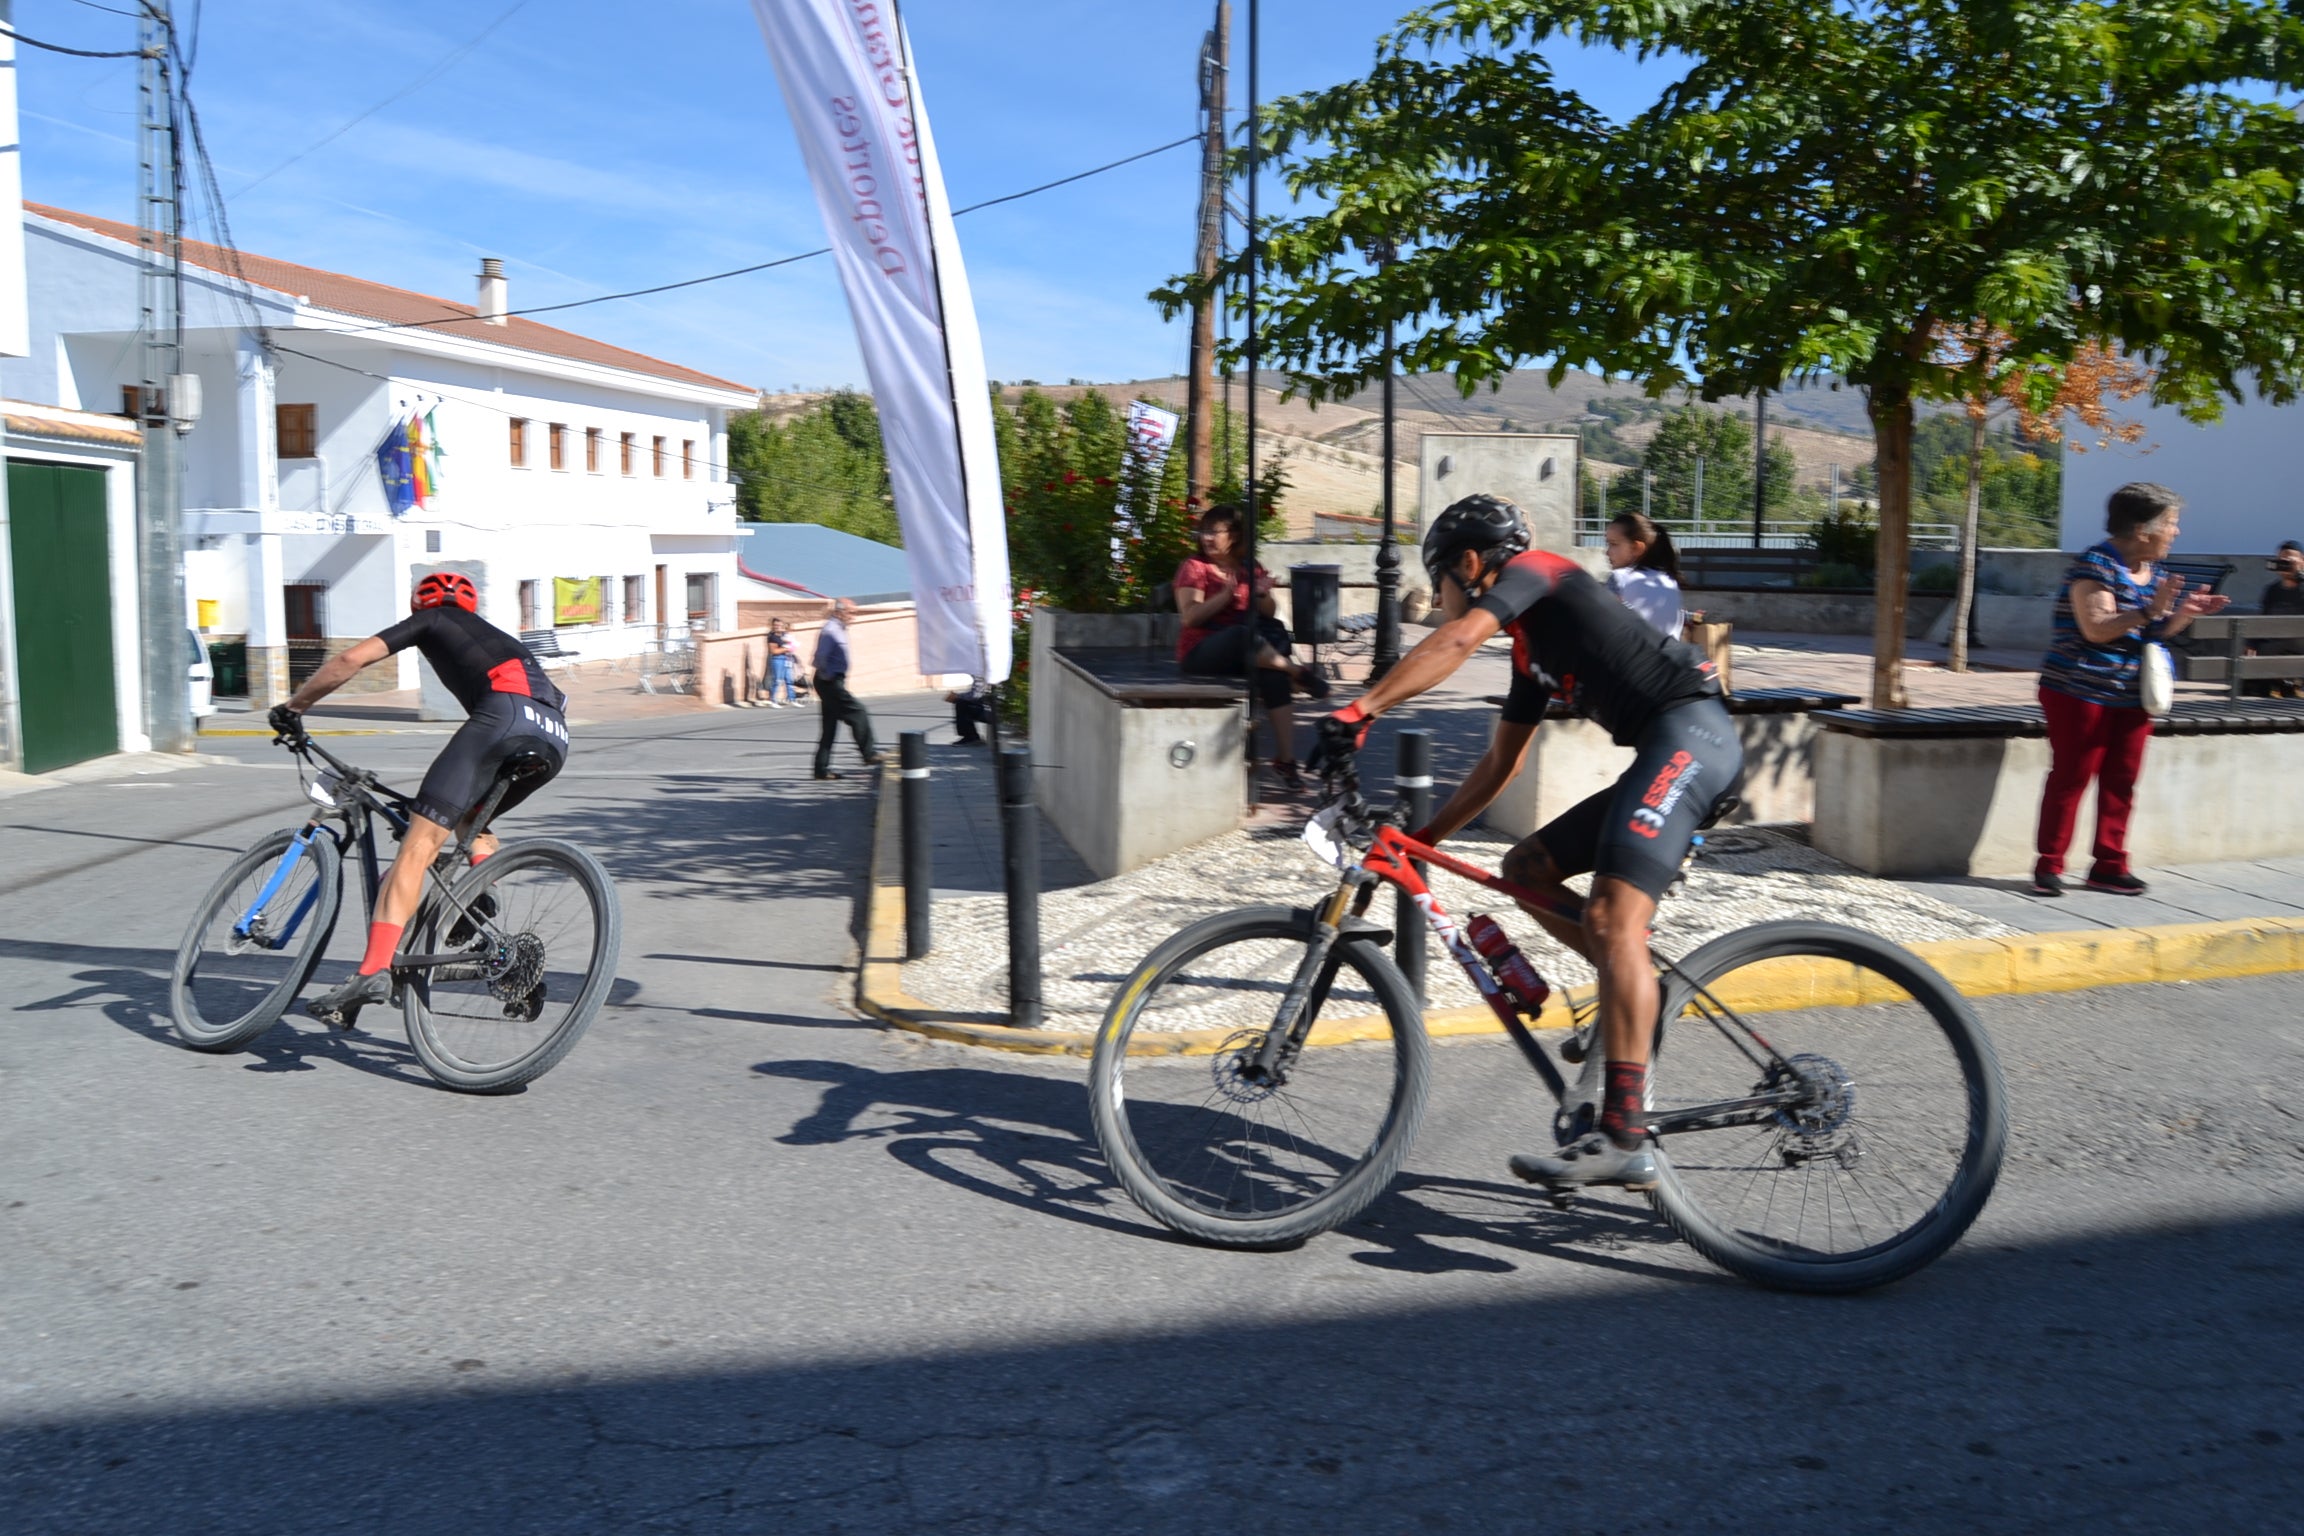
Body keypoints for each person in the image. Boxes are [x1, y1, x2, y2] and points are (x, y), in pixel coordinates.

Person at [1310, 493, 1737, 1190]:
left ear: (1472, 565)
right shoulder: (1532, 656)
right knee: (1528, 867)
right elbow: (1499, 766)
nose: (1440, 594)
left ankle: (1625, 1136)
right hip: (1672, 746)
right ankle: (1633, 993)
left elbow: (1454, 641)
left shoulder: (1541, 572)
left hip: (1692, 737)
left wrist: (1360, 709)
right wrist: (1421, 841)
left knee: (1611, 919)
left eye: (1442, 578)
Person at [272, 572, 571, 1028]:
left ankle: (372, 972)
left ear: (421, 605)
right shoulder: (500, 637)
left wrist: (294, 708)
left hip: (503, 718)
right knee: (470, 822)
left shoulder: (431, 620)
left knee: (418, 846)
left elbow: (351, 659)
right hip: (554, 738)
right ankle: (480, 904)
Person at [2032, 482, 2228, 897]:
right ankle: (2049, 865)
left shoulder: (2149, 571)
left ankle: (2109, 865)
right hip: (2079, 689)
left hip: (2129, 692)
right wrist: (2149, 610)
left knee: (2122, 780)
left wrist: (2182, 614)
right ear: (2143, 529)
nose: (2175, 532)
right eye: (2171, 524)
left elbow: (2149, 630)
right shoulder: (2095, 566)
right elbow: (2096, 628)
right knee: (2072, 776)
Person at [1173, 503, 1328, 789]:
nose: (1206, 537)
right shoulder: (1194, 567)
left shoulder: (1249, 567)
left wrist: (1261, 594)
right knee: (1241, 634)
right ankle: (1297, 672)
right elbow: (1190, 617)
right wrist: (1226, 595)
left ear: (1233, 535)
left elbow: (1269, 613)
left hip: (1248, 649)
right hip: (1201, 651)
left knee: (1272, 674)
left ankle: (1286, 760)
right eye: (1203, 531)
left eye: (1213, 531)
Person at [812, 597, 882, 780]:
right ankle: (869, 754)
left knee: (829, 727)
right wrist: (829, 678)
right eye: (851, 612)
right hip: (829, 681)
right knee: (858, 712)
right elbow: (820, 657)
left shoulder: (839, 629)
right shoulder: (831, 630)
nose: (854, 617)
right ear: (838, 612)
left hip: (832, 681)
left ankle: (821, 769)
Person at [1602, 510, 1684, 639]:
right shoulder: (1669, 581)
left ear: (1637, 548)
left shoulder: (1619, 578)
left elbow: (1600, 628)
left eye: (1614, 544)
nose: (1607, 552)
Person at [2248, 539, 2304, 698]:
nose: (2284, 562)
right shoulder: (2272, 590)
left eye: (2289, 558)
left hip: (2299, 643)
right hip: (2274, 644)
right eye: (2281, 559)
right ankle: (2268, 690)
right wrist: (2251, 643)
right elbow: (2261, 619)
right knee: (2262, 649)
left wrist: (2299, 576)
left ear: (2302, 561)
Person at [947, 676, 995, 745]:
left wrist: (956, 696)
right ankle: (971, 737)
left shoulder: (980, 675)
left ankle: (971, 737)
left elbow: (976, 694)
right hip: (999, 709)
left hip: (993, 712)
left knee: (961, 704)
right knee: (964, 703)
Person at [764, 619, 800, 708]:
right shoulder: (772, 637)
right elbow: (773, 651)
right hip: (778, 659)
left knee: (789, 680)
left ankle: (792, 699)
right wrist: (786, 649)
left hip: (787, 659)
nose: (778, 627)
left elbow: (791, 637)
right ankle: (773, 701)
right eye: (776, 625)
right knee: (777, 680)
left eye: (780, 625)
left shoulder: (785, 635)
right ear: (773, 626)